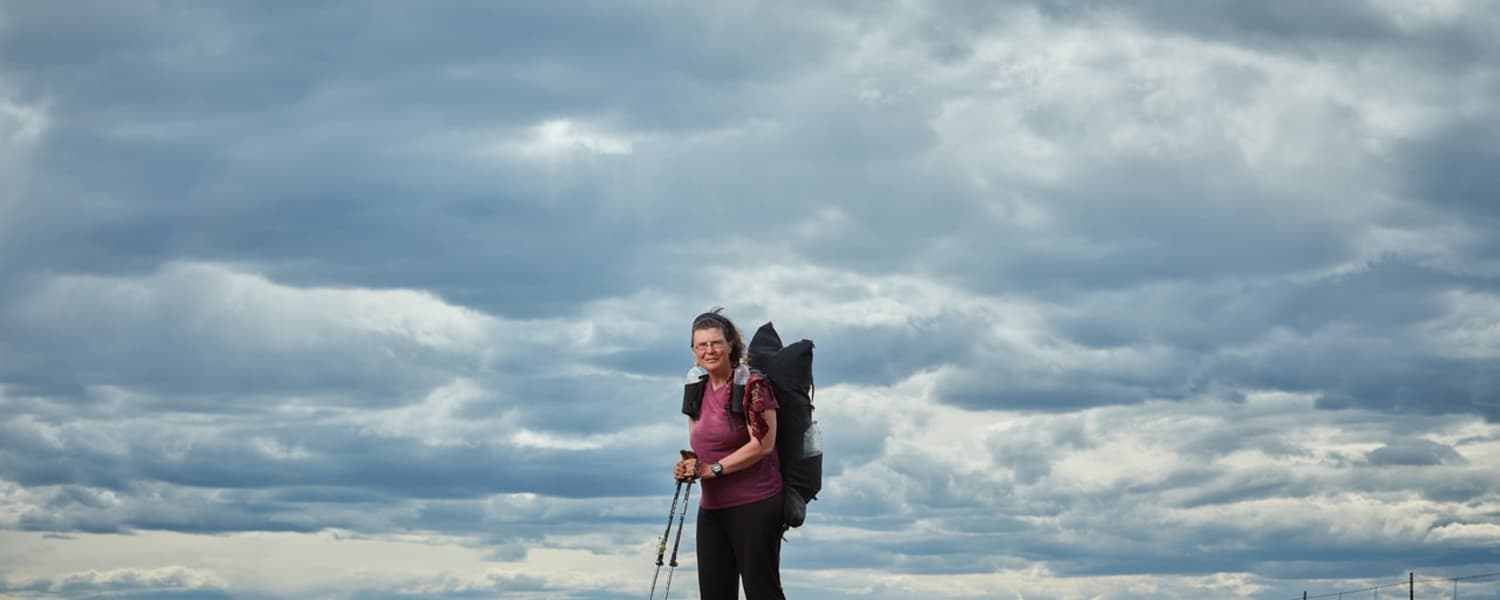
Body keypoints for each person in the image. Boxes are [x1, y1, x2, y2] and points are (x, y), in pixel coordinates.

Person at [673, 308, 786, 600]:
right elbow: (700, 447)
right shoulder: (696, 390)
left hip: (755, 503)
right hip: (712, 509)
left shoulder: (752, 386)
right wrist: (689, 467)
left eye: (716, 343)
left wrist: (715, 469)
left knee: (762, 592)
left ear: (731, 344)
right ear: (693, 351)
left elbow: (763, 443)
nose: (709, 350)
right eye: (701, 345)